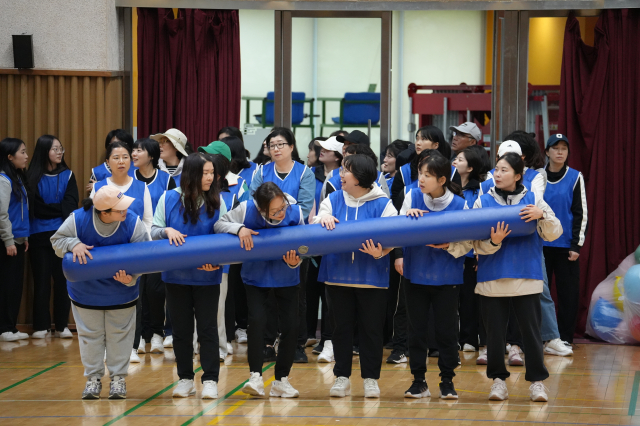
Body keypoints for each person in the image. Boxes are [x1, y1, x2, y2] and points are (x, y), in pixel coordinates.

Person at [461, 152, 562, 402]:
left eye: (504, 170)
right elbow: (474, 244)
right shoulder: (482, 201)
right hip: (492, 278)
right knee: (494, 336)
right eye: (496, 169)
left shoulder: (534, 199)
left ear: (518, 176)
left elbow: (554, 233)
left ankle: (537, 382)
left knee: (531, 333)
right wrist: (494, 242)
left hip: (526, 276)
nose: (497, 174)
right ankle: (498, 382)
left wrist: (542, 215)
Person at [50, 186, 151, 399]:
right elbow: (56, 241)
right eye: (120, 209)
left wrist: (132, 278)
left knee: (120, 337)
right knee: (90, 337)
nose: (125, 211)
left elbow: (146, 255)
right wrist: (73, 244)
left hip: (122, 293)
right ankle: (93, 380)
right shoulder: (78, 219)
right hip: (85, 293)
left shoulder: (133, 222)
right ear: (104, 212)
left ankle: (118, 380)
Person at [313, 154, 397, 398]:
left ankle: (371, 379)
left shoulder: (383, 203)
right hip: (336, 276)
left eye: (346, 171)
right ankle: (341, 377)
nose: (340, 175)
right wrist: (322, 218)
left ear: (360, 177)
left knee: (371, 330)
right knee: (340, 329)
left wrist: (382, 252)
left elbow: (395, 235)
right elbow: (316, 223)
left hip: (372, 278)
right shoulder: (333, 199)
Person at [215, 182, 304, 398]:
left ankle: (281, 379)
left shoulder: (295, 211)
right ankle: (255, 376)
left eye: (283, 207)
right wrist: (239, 229)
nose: (282, 213)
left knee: (291, 326)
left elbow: (305, 245)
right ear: (262, 210)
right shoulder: (246, 209)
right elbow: (219, 224)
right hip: (256, 275)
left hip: (287, 274)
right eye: (275, 211)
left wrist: (297, 260)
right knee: (256, 322)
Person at [151, 153, 226, 399]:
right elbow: (152, 230)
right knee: (181, 331)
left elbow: (227, 237)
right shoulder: (168, 198)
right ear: (191, 174)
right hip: (175, 277)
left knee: (207, 329)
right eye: (205, 173)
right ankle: (185, 378)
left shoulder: (218, 200)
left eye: (212, 173)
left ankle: (210, 379)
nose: (210, 177)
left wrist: (218, 262)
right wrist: (166, 231)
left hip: (207, 277)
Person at [400, 153, 468, 400]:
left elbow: (469, 243)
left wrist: (448, 245)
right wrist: (407, 220)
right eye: (420, 173)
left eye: (427, 175)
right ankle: (418, 381)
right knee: (416, 331)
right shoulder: (411, 196)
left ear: (441, 180)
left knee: (446, 332)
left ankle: (447, 381)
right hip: (415, 274)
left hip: (448, 278)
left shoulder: (460, 204)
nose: (421, 179)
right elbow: (396, 231)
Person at [248, 127, 315, 363]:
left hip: (293, 241)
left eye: (280, 144)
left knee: (296, 296)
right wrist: (272, 220)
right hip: (265, 241)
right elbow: (253, 202)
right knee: (266, 296)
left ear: (291, 147)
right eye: (272, 145)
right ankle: (267, 343)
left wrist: (279, 219)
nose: (276, 149)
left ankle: (296, 345)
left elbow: (304, 209)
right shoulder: (261, 171)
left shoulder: (304, 172)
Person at [27, 135, 79, 339]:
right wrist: (57, 209)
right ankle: (41, 326)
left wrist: (53, 209)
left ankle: (61, 325)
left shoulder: (68, 175)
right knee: (41, 281)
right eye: (54, 149)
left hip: (63, 235)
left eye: (60, 148)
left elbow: (70, 206)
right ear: (44, 151)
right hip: (38, 235)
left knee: (62, 281)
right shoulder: (32, 177)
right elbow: (36, 208)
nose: (59, 152)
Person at [130, 138, 176, 361]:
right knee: (138, 291)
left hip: (158, 243)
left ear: (151, 155)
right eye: (133, 150)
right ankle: (139, 336)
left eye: (139, 150)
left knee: (156, 290)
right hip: (133, 244)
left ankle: (157, 333)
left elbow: (173, 209)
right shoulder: (128, 179)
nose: (134, 154)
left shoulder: (166, 179)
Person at [543, 134, 587, 344]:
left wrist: (576, 245)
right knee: (538, 293)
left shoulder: (575, 177)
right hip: (540, 245)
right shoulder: (537, 177)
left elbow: (580, 213)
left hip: (565, 246)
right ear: (547, 152)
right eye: (555, 148)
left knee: (568, 294)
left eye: (564, 148)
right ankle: (542, 336)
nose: (560, 152)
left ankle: (565, 338)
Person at [305, 136, 341, 356]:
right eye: (321, 147)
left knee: (330, 292)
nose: (321, 150)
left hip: (332, 242)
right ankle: (311, 334)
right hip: (314, 239)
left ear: (338, 155)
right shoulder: (311, 174)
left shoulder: (339, 178)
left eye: (328, 148)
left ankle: (329, 340)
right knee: (311, 289)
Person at [0, 138, 30, 342]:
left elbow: (21, 211)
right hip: (7, 242)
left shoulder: (18, 177)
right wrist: (9, 240)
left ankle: (11, 327)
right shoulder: (4, 180)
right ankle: (4, 328)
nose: (26, 156)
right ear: (10, 157)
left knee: (15, 286)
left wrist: (23, 236)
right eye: (22, 152)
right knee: (7, 285)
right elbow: (2, 214)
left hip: (18, 239)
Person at [90, 142, 153, 233]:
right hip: (106, 238)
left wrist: (143, 239)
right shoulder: (98, 187)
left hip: (136, 240)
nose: (121, 161)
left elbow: (148, 221)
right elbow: (92, 218)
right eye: (116, 158)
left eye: (125, 157)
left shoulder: (142, 187)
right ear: (108, 162)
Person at [391, 126, 453, 212]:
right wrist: (408, 212)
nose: (418, 143)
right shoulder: (404, 171)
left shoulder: (453, 171)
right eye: (417, 139)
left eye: (424, 139)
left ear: (436, 145)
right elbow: (396, 208)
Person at [322, 144, 389, 200]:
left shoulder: (379, 191)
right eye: (345, 157)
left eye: (350, 158)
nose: (345, 161)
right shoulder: (333, 190)